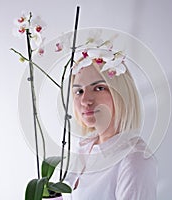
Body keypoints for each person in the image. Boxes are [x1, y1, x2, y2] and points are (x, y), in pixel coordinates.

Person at [63, 48, 157, 200]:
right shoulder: (84, 148)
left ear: (122, 93)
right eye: (79, 91)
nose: (85, 100)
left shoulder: (135, 160)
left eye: (99, 88)